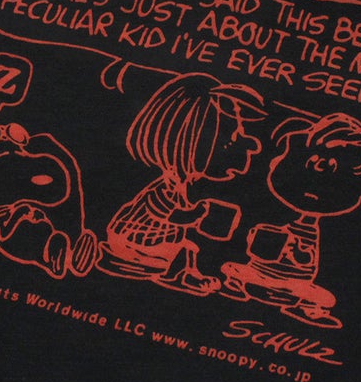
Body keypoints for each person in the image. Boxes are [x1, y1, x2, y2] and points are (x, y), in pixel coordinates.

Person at [97, 72, 265, 296]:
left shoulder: (178, 187)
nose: (247, 149)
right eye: (228, 141)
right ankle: (179, 276)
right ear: (190, 139)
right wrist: (198, 214)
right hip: (136, 241)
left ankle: (184, 274)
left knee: (187, 246)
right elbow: (169, 215)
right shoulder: (166, 187)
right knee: (186, 246)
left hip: (152, 240)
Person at [221, 112, 361, 327]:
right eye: (311, 162)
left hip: (294, 284)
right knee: (233, 268)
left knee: (325, 297)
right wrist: (256, 238)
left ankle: (306, 307)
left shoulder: (312, 232)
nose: (317, 175)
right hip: (261, 274)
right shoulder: (291, 224)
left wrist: (296, 251)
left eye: (332, 171)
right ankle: (238, 284)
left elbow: (307, 260)